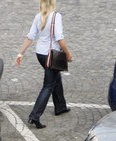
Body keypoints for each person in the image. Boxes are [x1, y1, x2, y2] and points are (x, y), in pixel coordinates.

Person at [15, 0, 73, 129]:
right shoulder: (56, 16)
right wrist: (68, 54)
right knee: (48, 86)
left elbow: (30, 37)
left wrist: (20, 54)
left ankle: (60, 107)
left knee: (55, 78)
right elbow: (59, 38)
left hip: (40, 54)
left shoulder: (38, 16)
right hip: (51, 55)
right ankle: (34, 116)